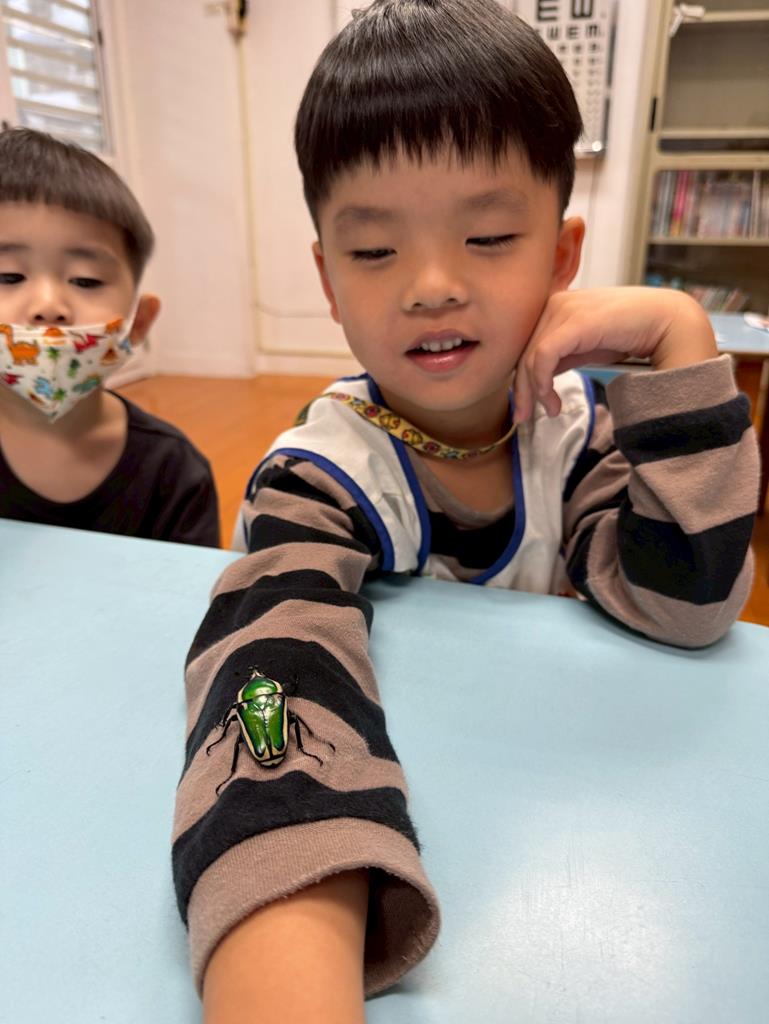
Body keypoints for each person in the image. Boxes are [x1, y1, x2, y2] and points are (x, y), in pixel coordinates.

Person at [172, 1, 759, 1020]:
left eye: (487, 237)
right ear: (326, 278)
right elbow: (272, 689)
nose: (432, 286)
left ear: (562, 257)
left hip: (565, 833)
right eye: (373, 251)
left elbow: (687, 606)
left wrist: (678, 336)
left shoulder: (577, 433)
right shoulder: (319, 477)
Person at [0, 127, 220, 546]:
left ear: (137, 324)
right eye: (8, 276)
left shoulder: (174, 472)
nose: (48, 306)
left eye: (85, 280)